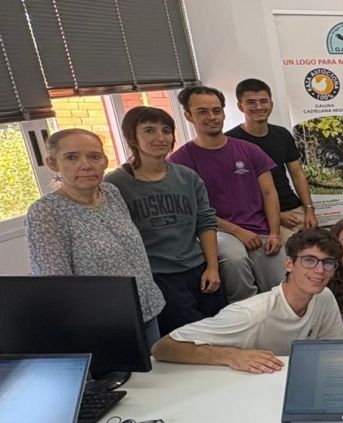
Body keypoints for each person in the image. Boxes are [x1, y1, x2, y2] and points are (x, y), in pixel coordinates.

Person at [26, 128, 166, 349]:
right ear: (53, 163)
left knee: (159, 369)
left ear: (104, 161)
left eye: (94, 156)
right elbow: (56, 287)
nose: (86, 165)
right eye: (72, 157)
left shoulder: (111, 193)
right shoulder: (46, 212)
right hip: (103, 325)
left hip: (147, 309)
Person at [151, 228, 343, 374]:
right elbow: (163, 347)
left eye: (328, 263)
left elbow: (336, 351)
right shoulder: (252, 313)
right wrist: (231, 355)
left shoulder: (323, 297)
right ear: (289, 264)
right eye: (309, 260)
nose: (320, 270)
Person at [106, 107, 227, 335]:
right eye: (149, 130)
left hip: (197, 268)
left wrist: (212, 267)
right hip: (157, 276)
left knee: (220, 330)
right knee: (188, 338)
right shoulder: (114, 184)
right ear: (132, 137)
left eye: (166, 130)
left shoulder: (187, 177)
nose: (160, 138)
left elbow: (205, 222)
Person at [169, 85, 285, 303]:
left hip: (260, 229)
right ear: (188, 116)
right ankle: (246, 317)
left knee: (281, 284)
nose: (212, 117)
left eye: (216, 110)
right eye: (202, 111)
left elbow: (270, 193)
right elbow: (195, 211)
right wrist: (239, 232)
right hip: (218, 232)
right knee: (234, 261)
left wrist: (275, 233)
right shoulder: (179, 162)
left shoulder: (250, 150)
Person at [225, 78, 317, 240]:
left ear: (271, 104)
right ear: (240, 106)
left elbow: (297, 174)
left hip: (292, 208)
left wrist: (309, 209)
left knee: (320, 247)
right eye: (251, 102)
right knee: (293, 251)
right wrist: (276, 216)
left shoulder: (282, 134)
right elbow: (236, 193)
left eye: (263, 101)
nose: (259, 107)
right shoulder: (230, 142)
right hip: (257, 216)